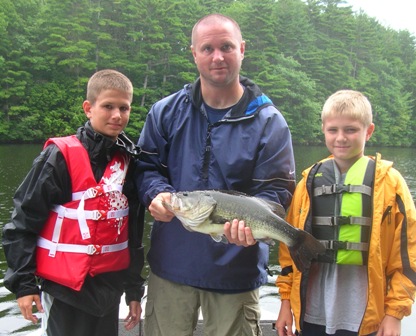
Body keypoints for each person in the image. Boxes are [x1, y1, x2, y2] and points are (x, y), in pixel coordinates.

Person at [135, 13, 296, 336]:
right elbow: (145, 167)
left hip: (237, 272)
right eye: (207, 48)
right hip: (171, 268)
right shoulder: (165, 112)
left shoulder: (269, 122)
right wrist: (156, 194)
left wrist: (251, 226)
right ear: (194, 53)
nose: (217, 57)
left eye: (226, 47)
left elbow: (276, 192)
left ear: (242, 49)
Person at [2, 69, 146, 336]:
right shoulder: (58, 156)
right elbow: (23, 221)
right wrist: (25, 285)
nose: (117, 115)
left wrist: (134, 289)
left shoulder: (129, 162)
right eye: (108, 106)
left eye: (124, 108)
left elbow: (132, 234)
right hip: (65, 289)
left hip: (109, 289)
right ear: (88, 108)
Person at [275, 90, 416, 336]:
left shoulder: (390, 183)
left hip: (365, 317)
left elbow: (407, 255)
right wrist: (286, 302)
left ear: (368, 131)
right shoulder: (307, 183)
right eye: (333, 130)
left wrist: (394, 313)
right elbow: (289, 249)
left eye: (350, 130)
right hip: (311, 312)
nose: (341, 138)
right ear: (323, 130)